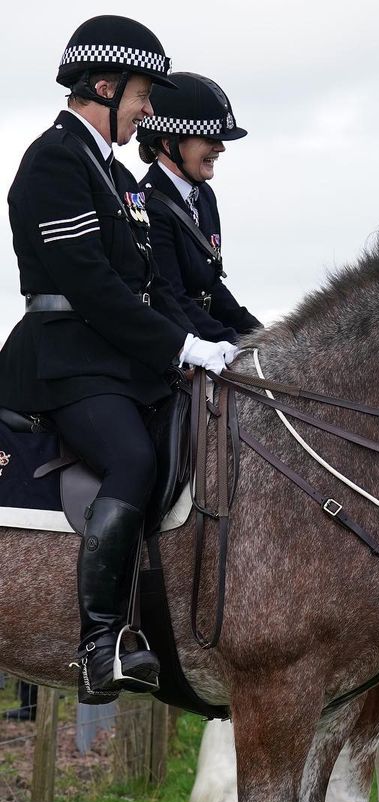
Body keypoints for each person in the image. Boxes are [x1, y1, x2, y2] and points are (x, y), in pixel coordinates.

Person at [0, 16, 236, 705]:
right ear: (103, 87)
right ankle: (100, 643)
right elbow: (90, 285)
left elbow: (149, 284)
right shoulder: (54, 162)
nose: (146, 110)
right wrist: (178, 344)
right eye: (140, 95)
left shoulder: (113, 173)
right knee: (132, 459)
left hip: (118, 358)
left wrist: (208, 344)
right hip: (64, 359)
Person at [136, 73, 261, 343]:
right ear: (169, 143)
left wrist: (260, 336)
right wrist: (230, 343)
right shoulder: (149, 206)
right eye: (209, 138)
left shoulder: (204, 196)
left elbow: (211, 287)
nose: (221, 147)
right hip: (174, 343)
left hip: (205, 334)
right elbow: (171, 298)